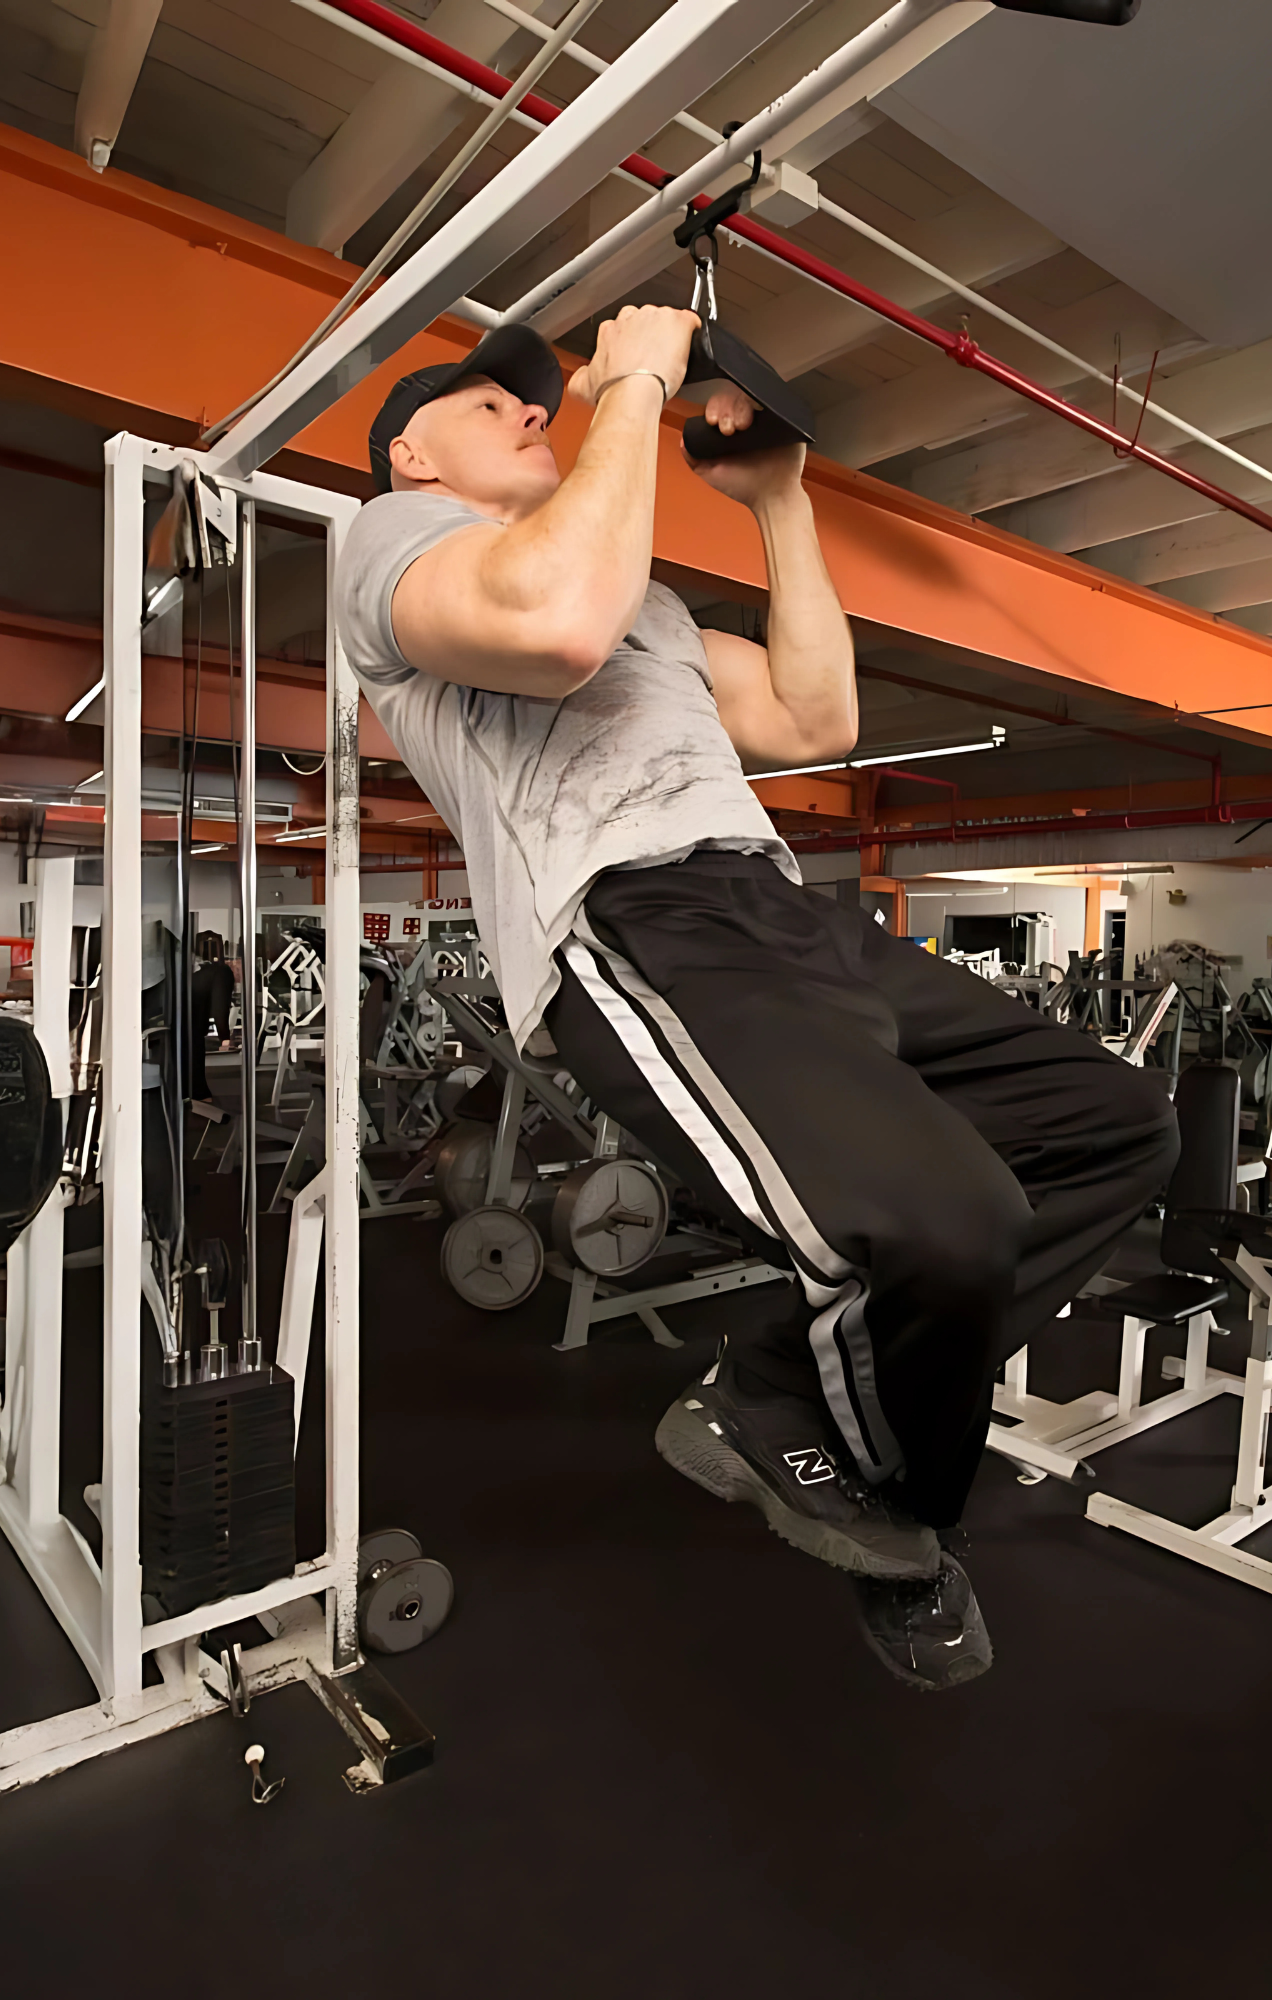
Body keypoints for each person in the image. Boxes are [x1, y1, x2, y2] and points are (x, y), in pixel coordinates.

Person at [337, 311, 1179, 1690]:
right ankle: (901, 1516)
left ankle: (778, 1387)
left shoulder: (649, 608)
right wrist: (640, 384)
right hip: (639, 921)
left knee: (1117, 1122)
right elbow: (547, 623)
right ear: (410, 454)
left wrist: (783, 502)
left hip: (783, 910)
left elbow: (811, 720)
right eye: (499, 408)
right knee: (940, 1223)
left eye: (541, 404)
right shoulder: (393, 548)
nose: (537, 415)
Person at [189, 930, 235, 1103]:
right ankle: (201, 1097)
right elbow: (219, 1010)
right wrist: (225, 1039)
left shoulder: (196, 967)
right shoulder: (221, 973)